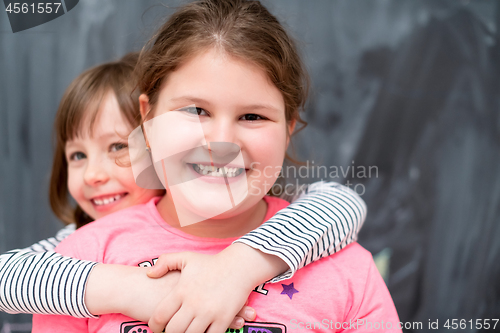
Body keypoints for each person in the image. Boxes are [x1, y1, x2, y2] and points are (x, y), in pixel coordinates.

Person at [31, 0, 401, 332]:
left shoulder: (347, 269)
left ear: (288, 130)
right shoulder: (80, 261)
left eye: (253, 116)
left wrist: (241, 265)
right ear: (148, 117)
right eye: (196, 110)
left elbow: (343, 203)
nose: (221, 144)